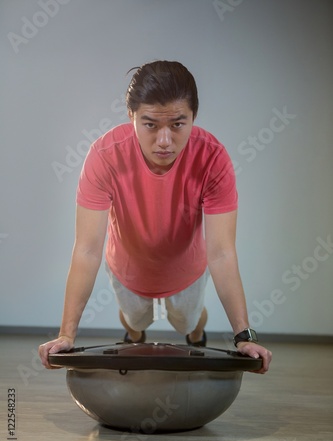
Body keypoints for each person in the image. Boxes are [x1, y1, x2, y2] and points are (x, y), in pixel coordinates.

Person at [39, 60, 272, 373]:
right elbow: (87, 249)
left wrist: (244, 336)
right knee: (136, 322)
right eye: (150, 124)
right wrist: (66, 334)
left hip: (186, 266)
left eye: (177, 124)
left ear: (193, 118)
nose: (164, 141)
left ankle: (197, 331)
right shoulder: (104, 155)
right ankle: (134, 333)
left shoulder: (213, 157)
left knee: (187, 323)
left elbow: (221, 252)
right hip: (128, 265)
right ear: (131, 117)